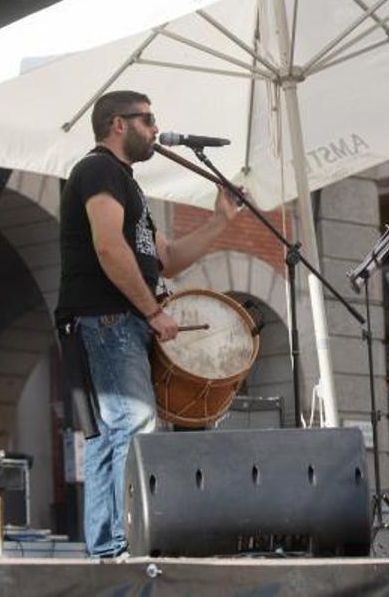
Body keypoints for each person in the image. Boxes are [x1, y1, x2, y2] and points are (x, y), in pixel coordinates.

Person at [55, 90, 239, 558]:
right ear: (119, 124)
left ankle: (106, 548)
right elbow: (109, 247)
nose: (156, 130)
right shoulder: (98, 170)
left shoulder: (126, 184)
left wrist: (221, 221)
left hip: (112, 319)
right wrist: (154, 312)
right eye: (148, 120)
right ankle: (123, 546)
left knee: (106, 437)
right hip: (106, 317)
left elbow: (170, 258)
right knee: (132, 424)